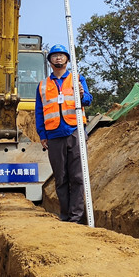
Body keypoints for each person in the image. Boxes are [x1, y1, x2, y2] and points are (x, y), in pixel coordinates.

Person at [35, 44, 92, 223]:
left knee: (77, 177)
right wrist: (42, 135)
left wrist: (82, 95)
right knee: (61, 178)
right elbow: (39, 112)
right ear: (50, 61)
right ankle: (66, 216)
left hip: (74, 132)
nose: (58, 58)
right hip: (53, 136)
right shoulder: (43, 85)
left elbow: (88, 100)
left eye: (61, 55)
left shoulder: (77, 79)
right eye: (55, 56)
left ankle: (76, 217)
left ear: (67, 59)